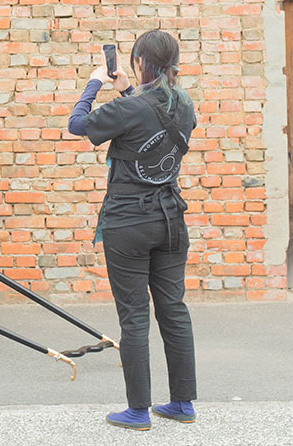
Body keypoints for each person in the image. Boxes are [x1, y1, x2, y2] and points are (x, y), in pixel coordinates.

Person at [68, 31, 198, 431]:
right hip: (172, 220)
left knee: (134, 317)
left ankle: (138, 411)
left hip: (129, 223)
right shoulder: (185, 104)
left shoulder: (129, 109)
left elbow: (78, 125)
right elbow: (149, 119)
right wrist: (127, 89)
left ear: (140, 62)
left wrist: (94, 82)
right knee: (174, 310)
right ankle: (182, 404)